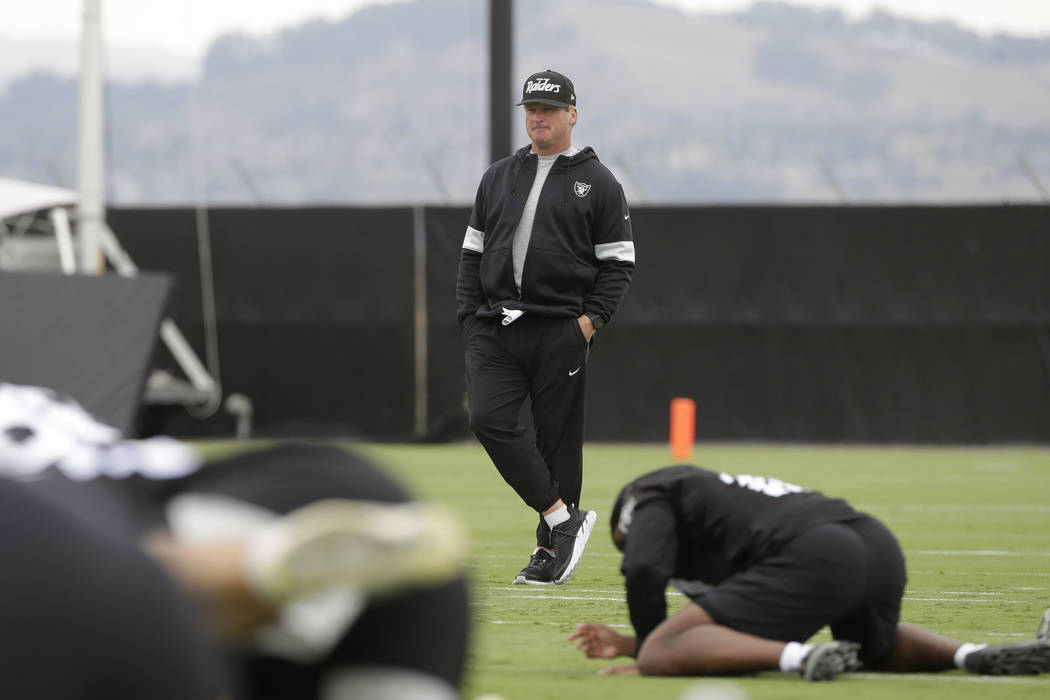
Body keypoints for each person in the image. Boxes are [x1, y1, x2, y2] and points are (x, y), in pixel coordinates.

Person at [0, 382, 471, 700]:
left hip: (140, 565)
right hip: (326, 490)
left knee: (121, 584)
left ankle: (247, 572)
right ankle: (256, 567)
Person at [568, 464, 1050, 681]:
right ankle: (973, 655)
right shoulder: (719, 508)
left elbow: (645, 568)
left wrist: (649, 649)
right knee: (872, 652)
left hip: (818, 552)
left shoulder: (648, 495)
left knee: (662, 653)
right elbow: (725, 628)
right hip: (874, 543)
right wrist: (636, 641)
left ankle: (800, 660)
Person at [456, 69, 636, 586]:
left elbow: (619, 263)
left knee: (558, 443)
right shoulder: (498, 176)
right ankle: (564, 521)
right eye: (531, 108)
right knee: (488, 419)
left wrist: (588, 322)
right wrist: (470, 317)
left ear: (572, 115)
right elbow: (472, 252)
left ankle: (547, 550)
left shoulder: (599, 183)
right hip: (495, 326)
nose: (538, 116)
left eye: (550, 109)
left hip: (561, 329)